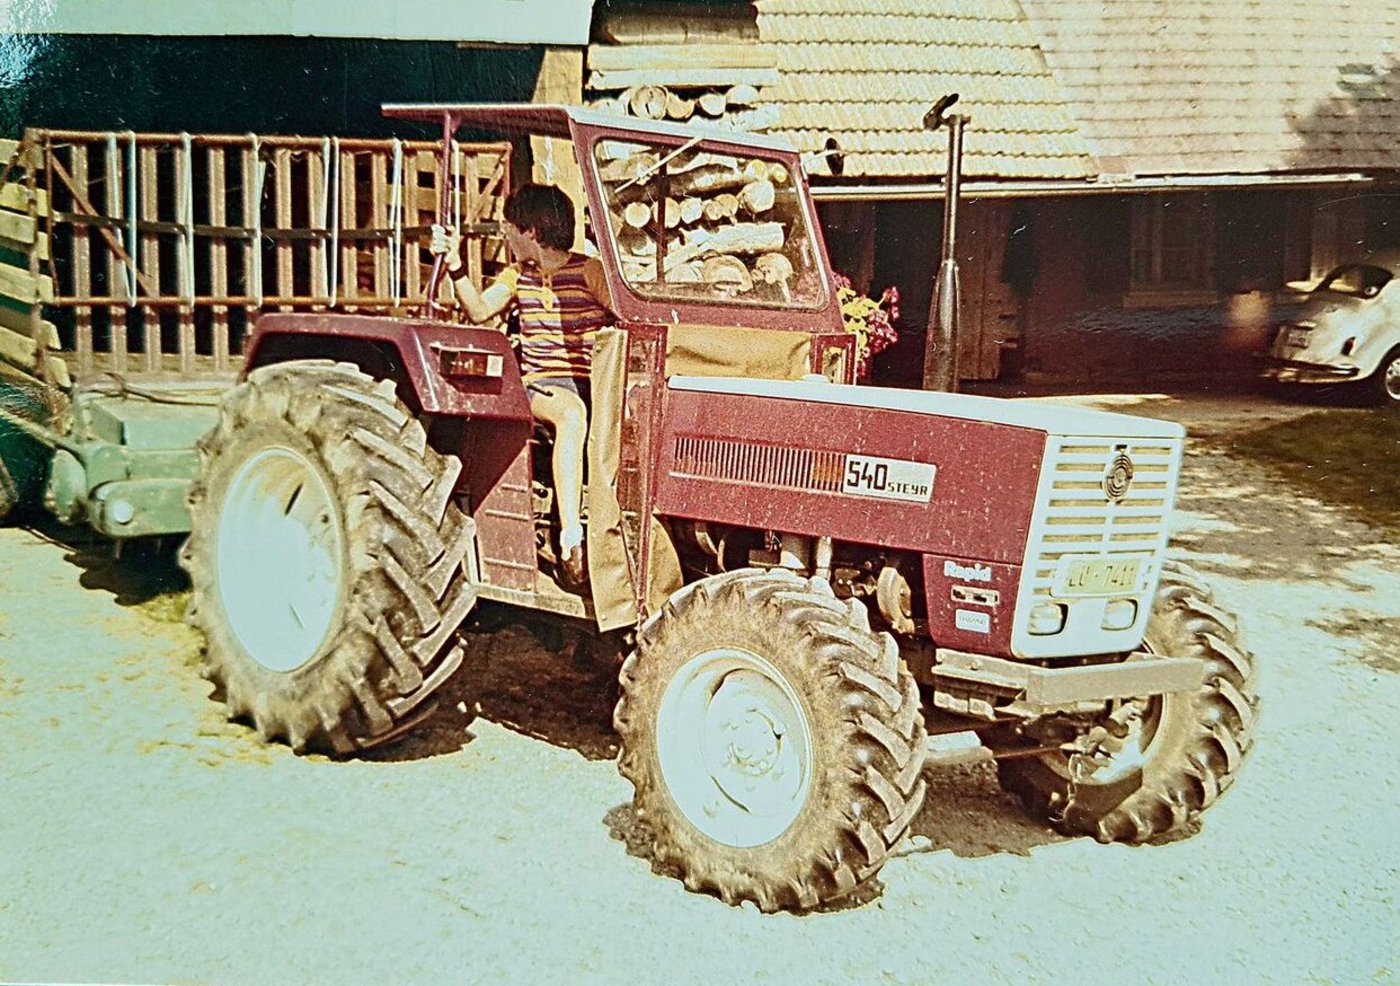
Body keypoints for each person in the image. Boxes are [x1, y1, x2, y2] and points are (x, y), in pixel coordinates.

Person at [430, 184, 612, 587]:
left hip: (594, 383)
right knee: (572, 415)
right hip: (542, 385)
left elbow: (623, 317)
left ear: (531, 231)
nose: (506, 237)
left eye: (509, 229)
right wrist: (455, 265)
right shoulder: (517, 277)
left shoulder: (589, 272)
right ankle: (571, 539)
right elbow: (478, 310)